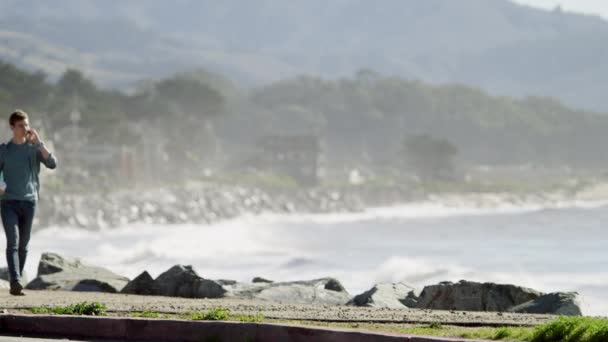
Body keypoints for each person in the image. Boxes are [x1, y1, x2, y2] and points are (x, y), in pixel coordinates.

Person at [0, 109, 57, 295]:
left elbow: (52, 163)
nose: (25, 128)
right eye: (20, 125)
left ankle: (17, 280)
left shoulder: (34, 150)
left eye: (26, 124)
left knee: (24, 245)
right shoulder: (4, 150)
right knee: (13, 242)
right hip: (8, 202)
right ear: (12, 127)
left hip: (29, 202)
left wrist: (39, 143)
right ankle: (15, 281)